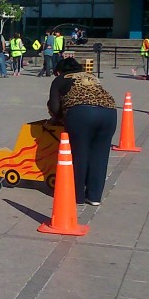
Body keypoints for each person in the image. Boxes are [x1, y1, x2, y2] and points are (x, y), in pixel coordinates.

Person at [48, 58, 117, 206]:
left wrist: (58, 118)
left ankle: (77, 195)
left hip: (81, 113)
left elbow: (54, 107)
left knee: (79, 154)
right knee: (100, 156)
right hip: (109, 113)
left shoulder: (61, 79)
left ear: (59, 71)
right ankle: (94, 196)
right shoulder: (91, 76)